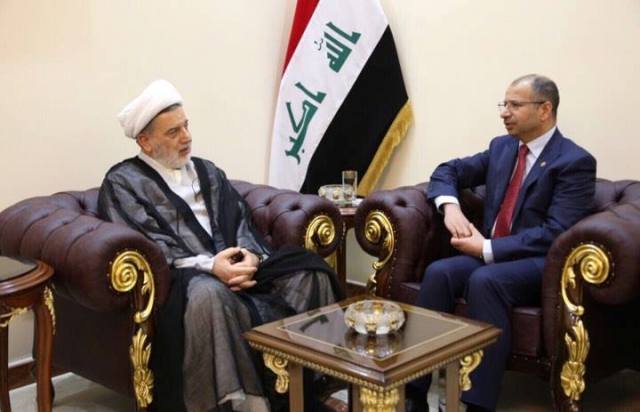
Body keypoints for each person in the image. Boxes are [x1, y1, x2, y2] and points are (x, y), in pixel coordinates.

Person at [98, 79, 343, 412]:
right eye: (173, 132)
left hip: (236, 263)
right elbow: (150, 246)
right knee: (210, 295)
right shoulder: (123, 182)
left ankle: (311, 387)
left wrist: (250, 258)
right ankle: (246, 404)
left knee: (311, 270)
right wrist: (212, 266)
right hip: (184, 278)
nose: (186, 137)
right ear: (146, 141)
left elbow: (239, 219)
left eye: (186, 126)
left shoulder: (207, 170)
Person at [409, 74, 596, 412]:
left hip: (538, 262)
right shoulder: (503, 147)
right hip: (489, 250)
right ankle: (414, 391)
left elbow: (556, 232)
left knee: (486, 281)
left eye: (514, 105)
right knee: (439, 273)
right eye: (504, 104)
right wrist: (450, 208)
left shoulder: (574, 162)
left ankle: (478, 404)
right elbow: (447, 171)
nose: (504, 112)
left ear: (544, 110)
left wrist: (486, 249)